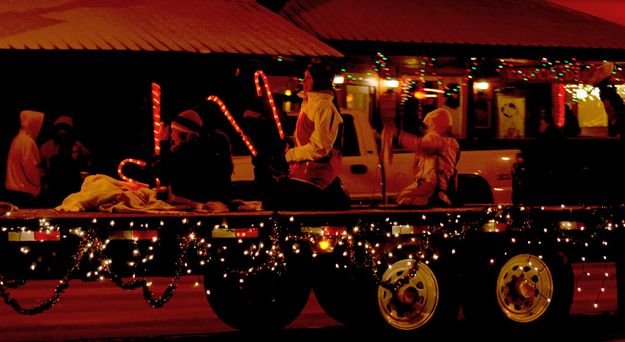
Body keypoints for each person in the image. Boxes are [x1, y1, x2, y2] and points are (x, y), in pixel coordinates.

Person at [270, 62, 350, 210]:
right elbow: (306, 138)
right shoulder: (309, 104)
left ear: (318, 80)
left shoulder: (323, 107)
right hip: (304, 174)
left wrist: (290, 155)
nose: (303, 81)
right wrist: (292, 142)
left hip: (317, 177)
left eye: (308, 78)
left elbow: (320, 147)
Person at [153, 108, 234, 212]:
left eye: (174, 131)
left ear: (184, 134)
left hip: (194, 203)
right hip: (208, 201)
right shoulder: (202, 150)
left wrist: (163, 144)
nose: (171, 135)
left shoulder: (187, 153)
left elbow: (163, 173)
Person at [383, 108, 460, 207]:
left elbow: (419, 145)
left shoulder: (435, 138)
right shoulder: (452, 142)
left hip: (431, 184)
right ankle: (438, 199)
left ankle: (433, 200)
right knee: (404, 196)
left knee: (403, 198)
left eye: (427, 125)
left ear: (434, 123)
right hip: (440, 185)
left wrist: (398, 136)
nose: (424, 129)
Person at [39, 115, 91, 207]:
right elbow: (41, 168)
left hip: (72, 187)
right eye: (60, 129)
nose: (63, 132)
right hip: (53, 187)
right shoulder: (46, 147)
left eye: (66, 129)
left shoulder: (77, 146)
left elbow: (88, 161)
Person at [4, 110, 45, 208]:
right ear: (34, 124)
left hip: (14, 190)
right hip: (24, 192)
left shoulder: (18, 139)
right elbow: (30, 169)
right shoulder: (27, 142)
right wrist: (38, 182)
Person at [584, 62, 625, 138]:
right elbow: (610, 107)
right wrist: (615, 118)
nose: (611, 78)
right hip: (619, 118)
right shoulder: (607, 92)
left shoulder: (606, 91)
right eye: (609, 78)